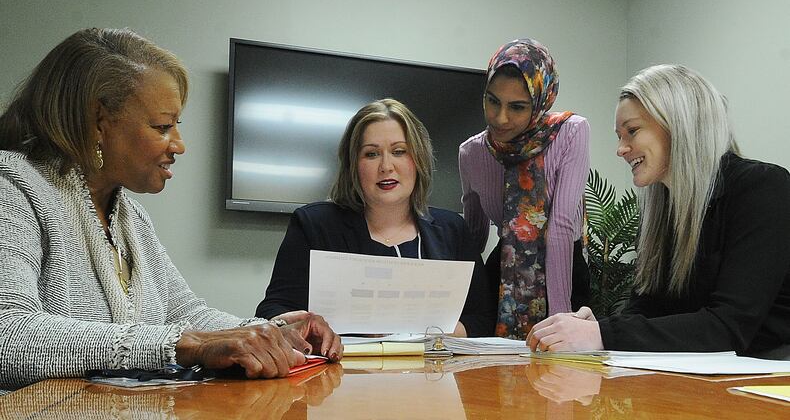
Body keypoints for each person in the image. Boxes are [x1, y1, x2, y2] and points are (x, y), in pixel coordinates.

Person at [0, 28, 342, 393]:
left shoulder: (130, 215)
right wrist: (185, 345)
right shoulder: (13, 186)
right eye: (162, 127)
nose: (179, 145)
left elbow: (186, 315)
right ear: (98, 121)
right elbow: (8, 335)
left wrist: (273, 332)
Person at [526, 64, 790, 358]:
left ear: (679, 123)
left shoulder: (763, 188)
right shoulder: (663, 208)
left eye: (632, 131)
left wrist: (603, 334)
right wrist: (597, 328)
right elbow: (647, 308)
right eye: (619, 135)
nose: (621, 149)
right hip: (690, 385)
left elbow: (728, 328)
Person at [256, 98, 496, 337]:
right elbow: (271, 311)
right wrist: (310, 328)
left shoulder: (453, 229)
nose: (386, 166)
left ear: (418, 160)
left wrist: (435, 333)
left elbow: (482, 319)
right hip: (339, 371)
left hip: (433, 371)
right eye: (371, 154)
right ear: (353, 165)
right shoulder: (314, 225)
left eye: (399, 151)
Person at [459, 38, 591, 340]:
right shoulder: (471, 152)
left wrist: (560, 318)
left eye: (517, 107)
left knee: (562, 378)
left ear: (540, 102)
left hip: (565, 271)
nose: (500, 117)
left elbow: (559, 226)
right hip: (503, 274)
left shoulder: (570, 133)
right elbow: (474, 236)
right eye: (492, 101)